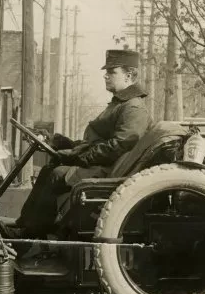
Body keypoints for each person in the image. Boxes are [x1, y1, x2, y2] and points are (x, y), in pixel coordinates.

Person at [10, 49, 152, 239]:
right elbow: (96, 143)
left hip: (109, 171)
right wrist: (61, 142)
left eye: (112, 71)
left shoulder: (133, 107)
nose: (106, 75)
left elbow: (119, 145)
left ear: (129, 76)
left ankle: (31, 235)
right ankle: (24, 226)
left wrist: (79, 158)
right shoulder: (121, 104)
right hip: (103, 165)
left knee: (55, 175)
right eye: (107, 72)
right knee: (48, 170)